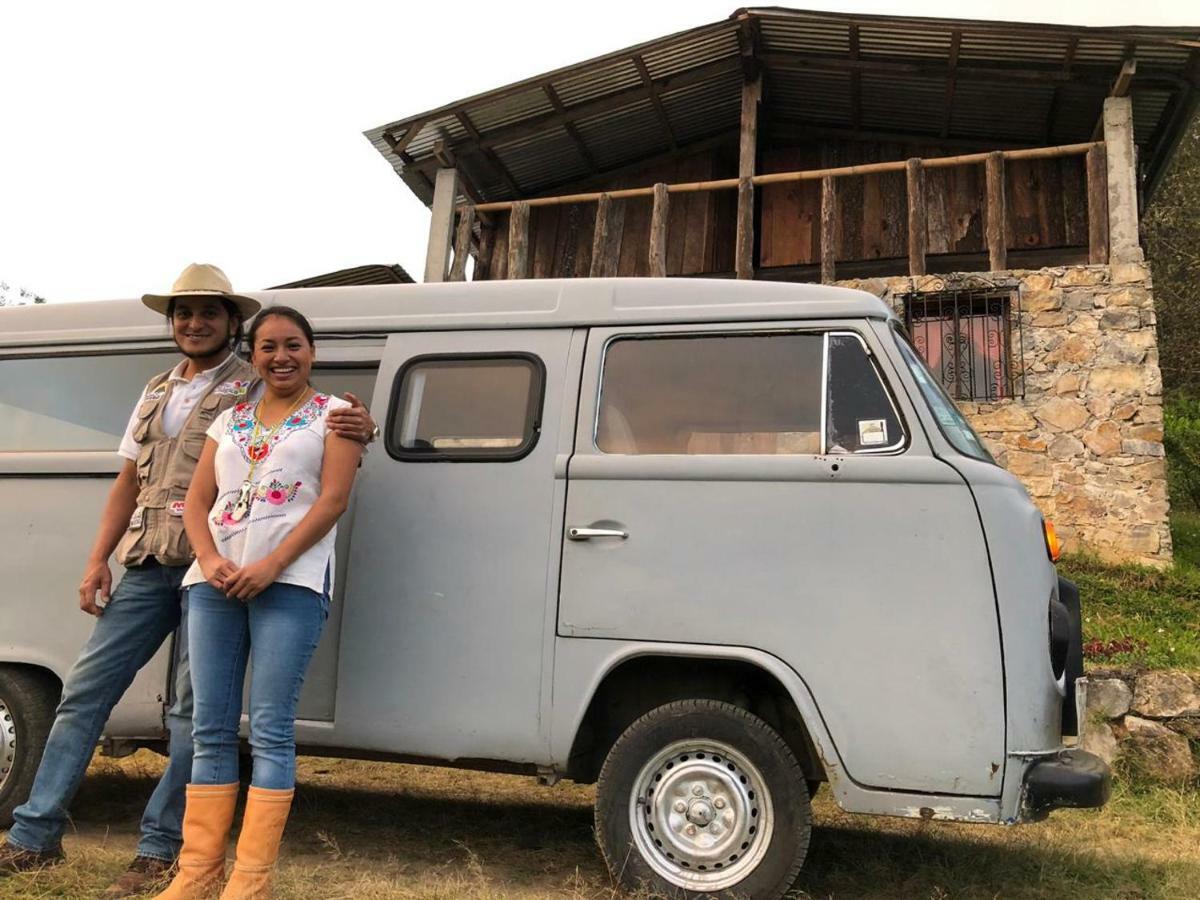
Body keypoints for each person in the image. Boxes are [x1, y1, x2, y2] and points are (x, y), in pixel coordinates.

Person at [0, 265, 376, 897]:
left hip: (233, 567)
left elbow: (329, 445)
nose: (194, 323)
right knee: (87, 692)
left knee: (197, 713)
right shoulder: (155, 390)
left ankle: (162, 851)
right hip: (160, 560)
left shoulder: (254, 385)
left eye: (208, 312)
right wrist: (100, 557)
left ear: (234, 325)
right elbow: (129, 479)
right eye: (183, 313)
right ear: (172, 324)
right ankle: (33, 835)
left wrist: (359, 425)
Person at [155, 306, 361, 899]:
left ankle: (250, 882)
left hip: (290, 583)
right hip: (213, 585)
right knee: (210, 729)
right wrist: (211, 560)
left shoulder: (337, 417)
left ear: (312, 351)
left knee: (270, 727)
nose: (281, 357)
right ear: (255, 354)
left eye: (293, 345)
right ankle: (197, 875)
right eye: (267, 347)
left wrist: (271, 564)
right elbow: (195, 504)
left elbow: (332, 502)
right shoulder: (229, 418)